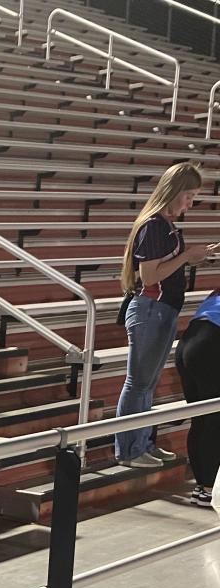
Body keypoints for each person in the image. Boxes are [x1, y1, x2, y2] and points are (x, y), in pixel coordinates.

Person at [114, 162, 218, 470]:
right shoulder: (154, 226)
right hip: (150, 308)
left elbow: (164, 268)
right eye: (189, 196)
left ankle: (142, 442)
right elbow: (149, 277)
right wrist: (187, 256)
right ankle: (129, 449)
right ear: (174, 191)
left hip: (161, 309)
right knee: (138, 383)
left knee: (147, 383)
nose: (190, 203)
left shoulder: (165, 225)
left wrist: (196, 257)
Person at [175, 289, 220, 506]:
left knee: (200, 419)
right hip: (210, 344)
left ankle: (202, 486)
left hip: (187, 344)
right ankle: (209, 488)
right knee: (214, 420)